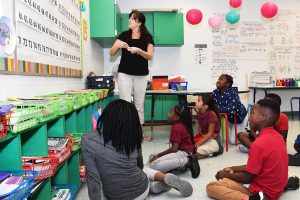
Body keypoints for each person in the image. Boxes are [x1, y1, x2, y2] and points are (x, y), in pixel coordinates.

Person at [82, 99, 193, 200]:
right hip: (141, 191)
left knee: (124, 177)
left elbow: (93, 179)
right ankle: (160, 180)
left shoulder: (88, 139)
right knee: (141, 171)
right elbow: (139, 165)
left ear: (107, 116)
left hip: (115, 196)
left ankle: (154, 186)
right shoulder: (134, 136)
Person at [206, 99, 288, 200]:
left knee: (211, 187)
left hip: (264, 194)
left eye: (252, 113)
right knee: (224, 181)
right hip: (276, 189)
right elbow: (256, 166)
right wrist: (233, 169)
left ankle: (250, 199)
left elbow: (247, 178)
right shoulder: (278, 137)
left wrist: (224, 174)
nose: (249, 118)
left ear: (262, 117)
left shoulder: (258, 144)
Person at [109, 11, 154, 128]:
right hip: (124, 74)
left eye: (132, 19)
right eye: (129, 18)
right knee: (125, 103)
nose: (129, 20)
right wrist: (118, 45)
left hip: (141, 75)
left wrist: (139, 50)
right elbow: (111, 52)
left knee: (139, 104)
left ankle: (139, 131)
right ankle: (125, 130)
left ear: (139, 22)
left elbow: (150, 56)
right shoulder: (124, 35)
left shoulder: (147, 37)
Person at [149, 105, 200, 178]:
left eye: (170, 112)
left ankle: (188, 161)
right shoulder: (182, 124)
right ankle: (181, 166)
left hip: (184, 153)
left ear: (176, 117)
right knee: (151, 156)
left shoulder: (177, 127)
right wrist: (157, 156)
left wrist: (158, 155)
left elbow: (174, 149)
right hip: (182, 152)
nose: (168, 113)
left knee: (154, 166)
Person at [212, 74, 247, 145]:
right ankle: (241, 132)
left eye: (221, 79)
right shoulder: (215, 92)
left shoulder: (233, 93)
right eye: (218, 79)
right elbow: (211, 104)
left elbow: (230, 109)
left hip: (240, 118)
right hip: (230, 119)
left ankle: (247, 133)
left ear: (228, 84)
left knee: (233, 141)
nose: (218, 81)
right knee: (234, 135)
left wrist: (216, 109)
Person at [194, 94, 223, 159]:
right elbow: (202, 131)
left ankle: (216, 150)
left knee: (196, 151)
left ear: (205, 106)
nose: (195, 102)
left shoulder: (211, 114)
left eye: (198, 101)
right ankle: (206, 153)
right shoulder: (200, 113)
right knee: (189, 147)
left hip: (213, 139)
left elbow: (210, 134)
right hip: (204, 137)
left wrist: (198, 144)